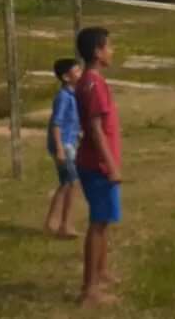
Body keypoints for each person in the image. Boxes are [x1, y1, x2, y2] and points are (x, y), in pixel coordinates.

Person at [75, 27, 123, 306]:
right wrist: (110, 164)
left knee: (104, 223)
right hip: (98, 166)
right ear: (97, 51)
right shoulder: (93, 84)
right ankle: (89, 290)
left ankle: (101, 272)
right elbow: (95, 129)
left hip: (96, 164)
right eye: (109, 46)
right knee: (98, 225)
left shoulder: (91, 81)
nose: (112, 51)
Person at [44, 58, 83, 238]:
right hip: (63, 144)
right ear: (66, 77)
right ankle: (65, 226)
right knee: (73, 182)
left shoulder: (73, 95)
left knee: (66, 183)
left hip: (69, 142)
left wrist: (79, 134)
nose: (80, 74)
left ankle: (51, 223)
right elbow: (57, 124)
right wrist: (60, 148)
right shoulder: (64, 97)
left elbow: (71, 121)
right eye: (77, 71)